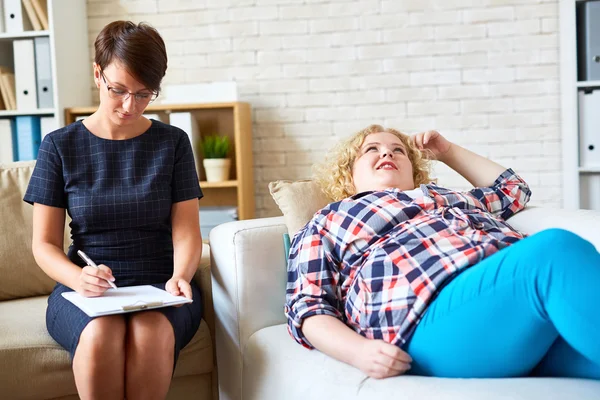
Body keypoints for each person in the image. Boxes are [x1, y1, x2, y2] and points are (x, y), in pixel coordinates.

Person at [285, 124, 600, 380]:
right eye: (372, 149)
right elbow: (308, 306)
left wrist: (447, 152)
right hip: (428, 320)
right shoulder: (330, 219)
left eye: (398, 150)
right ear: (348, 173)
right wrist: (358, 352)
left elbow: (513, 191)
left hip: (512, 311)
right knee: (554, 251)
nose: (387, 153)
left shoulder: (446, 196)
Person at [24, 21, 203, 399]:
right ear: (97, 73)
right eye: (118, 90)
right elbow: (43, 245)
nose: (129, 105)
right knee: (101, 331)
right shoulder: (59, 146)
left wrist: (181, 274)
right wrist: (77, 278)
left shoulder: (173, 143)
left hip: (162, 284)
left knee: (150, 332)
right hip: (87, 286)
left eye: (144, 94)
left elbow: (186, 231)